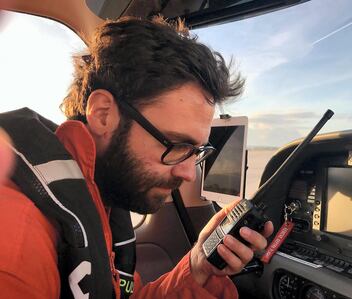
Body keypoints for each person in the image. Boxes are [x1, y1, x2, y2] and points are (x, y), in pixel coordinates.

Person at [0, 16, 273, 298]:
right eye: (177, 145)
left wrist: (198, 267)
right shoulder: (16, 242)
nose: (189, 174)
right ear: (104, 114)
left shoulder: (101, 195)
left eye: (197, 152)